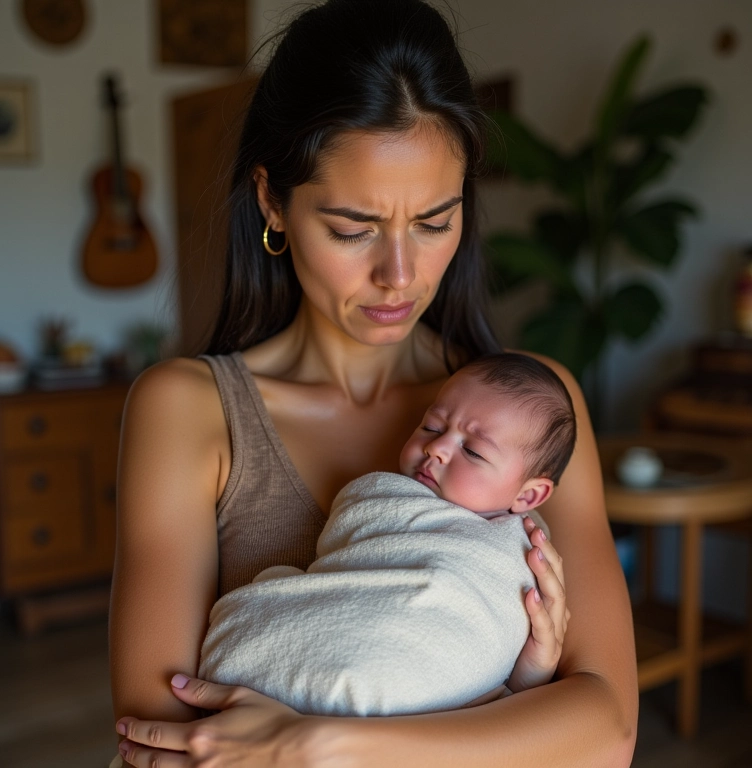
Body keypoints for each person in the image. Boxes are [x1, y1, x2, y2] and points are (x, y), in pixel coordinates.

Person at [109, 0, 638, 765]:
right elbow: (157, 736)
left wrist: (321, 743)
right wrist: (507, 729)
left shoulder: (537, 410)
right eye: (354, 228)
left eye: (433, 221)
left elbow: (606, 729)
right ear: (272, 202)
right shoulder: (190, 410)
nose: (400, 275)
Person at [199, 353, 576, 718]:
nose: (437, 448)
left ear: (528, 495)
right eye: (432, 426)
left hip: (422, 700)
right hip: (358, 672)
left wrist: (530, 677)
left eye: (474, 451)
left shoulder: (527, 553)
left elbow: (484, 642)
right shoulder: (387, 500)